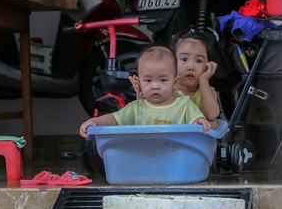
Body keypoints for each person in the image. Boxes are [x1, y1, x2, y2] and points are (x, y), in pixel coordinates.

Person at [79, 45, 211, 138]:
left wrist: (200, 121)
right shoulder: (136, 108)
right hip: (145, 160)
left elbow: (197, 118)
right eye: (148, 81)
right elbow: (115, 118)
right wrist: (95, 122)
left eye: (163, 80)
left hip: (175, 158)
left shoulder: (184, 105)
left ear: (175, 83)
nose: (155, 86)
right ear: (139, 82)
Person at [130, 30, 221, 129]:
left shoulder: (206, 91)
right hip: (165, 134)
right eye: (184, 59)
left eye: (199, 61)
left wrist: (204, 81)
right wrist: (140, 95)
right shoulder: (164, 89)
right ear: (171, 62)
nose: (191, 67)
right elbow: (142, 112)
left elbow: (211, 115)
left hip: (194, 141)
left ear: (208, 64)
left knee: (213, 124)